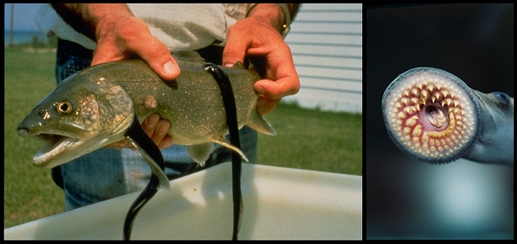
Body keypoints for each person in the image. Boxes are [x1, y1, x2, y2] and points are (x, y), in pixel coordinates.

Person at [35, 3, 300, 211]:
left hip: (235, 72)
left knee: (227, 224)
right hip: (108, 55)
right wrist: (108, 20)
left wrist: (268, 15)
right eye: (66, 109)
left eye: (65, 110)